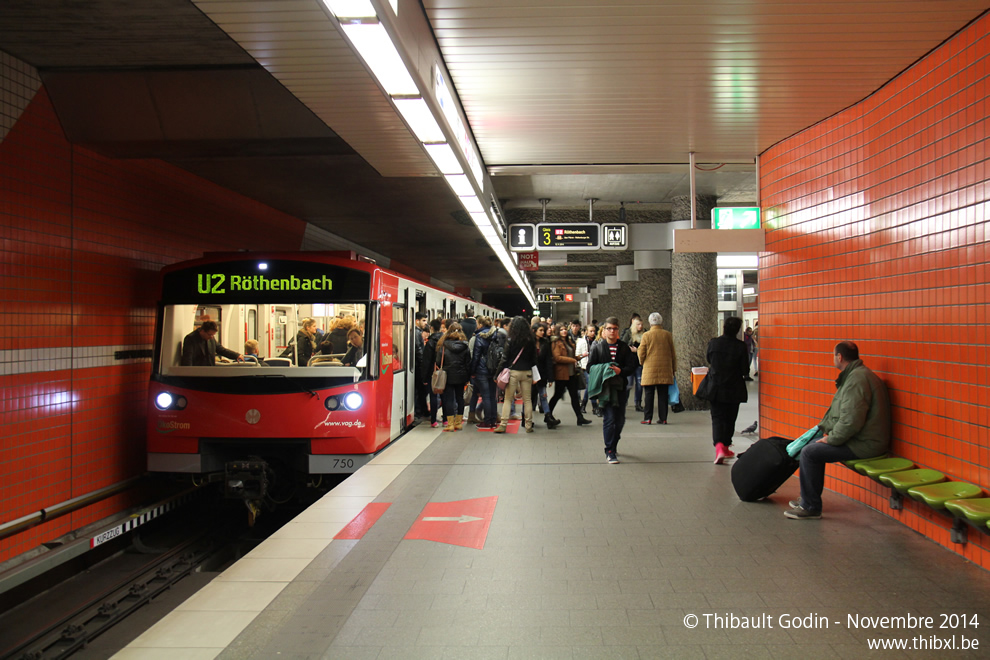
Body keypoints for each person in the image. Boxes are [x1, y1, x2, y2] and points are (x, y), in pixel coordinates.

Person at [786, 342, 891, 520]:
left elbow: (851, 421)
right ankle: (808, 499)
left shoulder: (856, 380)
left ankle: (810, 506)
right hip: (863, 439)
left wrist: (831, 439)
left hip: (866, 444)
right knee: (811, 448)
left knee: (810, 452)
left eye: (833, 355)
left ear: (839, 357)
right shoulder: (857, 375)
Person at [587, 317, 637, 464]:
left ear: (618, 330)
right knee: (609, 419)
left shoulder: (623, 348)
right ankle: (609, 450)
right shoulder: (598, 347)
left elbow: (632, 366)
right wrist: (604, 370)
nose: (612, 331)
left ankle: (614, 443)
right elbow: (590, 367)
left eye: (615, 329)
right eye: (609, 328)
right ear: (604, 330)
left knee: (620, 420)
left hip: (620, 387)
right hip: (605, 389)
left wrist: (619, 371)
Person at [706, 316, 750, 464]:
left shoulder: (714, 343)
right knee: (730, 418)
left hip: (716, 387)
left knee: (717, 418)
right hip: (734, 388)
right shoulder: (740, 346)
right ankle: (725, 446)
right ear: (737, 330)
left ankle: (719, 447)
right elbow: (745, 369)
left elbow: (709, 360)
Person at [493, 317, 537, 434]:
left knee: (508, 399)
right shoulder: (530, 340)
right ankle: (528, 425)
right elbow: (534, 359)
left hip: (513, 372)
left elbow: (505, 358)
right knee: (527, 400)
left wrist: (497, 374)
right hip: (527, 372)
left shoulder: (511, 339)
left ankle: (503, 425)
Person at [547, 323, 592, 426]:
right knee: (557, 395)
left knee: (574, 396)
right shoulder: (556, 342)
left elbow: (572, 357)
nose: (564, 331)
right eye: (561, 329)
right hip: (562, 374)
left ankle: (579, 418)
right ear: (558, 331)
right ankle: (548, 415)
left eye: (565, 329)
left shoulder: (568, 341)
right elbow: (557, 357)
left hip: (571, 374)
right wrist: (572, 360)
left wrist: (580, 356)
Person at [637, 313, 676, 425]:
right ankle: (663, 418)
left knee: (649, 395)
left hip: (650, 369)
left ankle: (648, 418)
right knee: (662, 395)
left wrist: (641, 361)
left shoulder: (646, 335)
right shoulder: (667, 335)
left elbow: (641, 351)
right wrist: (673, 368)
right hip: (665, 369)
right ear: (661, 322)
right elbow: (673, 353)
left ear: (650, 323)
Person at [434, 323, 471, 431]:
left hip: (447, 376)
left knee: (449, 399)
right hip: (461, 376)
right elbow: (468, 362)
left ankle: (450, 424)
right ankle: (458, 423)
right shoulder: (465, 345)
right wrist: (467, 376)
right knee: (460, 398)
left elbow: (438, 361)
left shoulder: (444, 345)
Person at [469, 317, 499, 429]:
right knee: (492, 396)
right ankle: (493, 420)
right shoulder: (496, 335)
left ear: (481, 324)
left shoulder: (479, 337)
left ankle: (487, 421)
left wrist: (472, 371)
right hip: (494, 369)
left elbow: (476, 356)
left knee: (485, 396)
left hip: (481, 370)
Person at [532, 321, 556, 428]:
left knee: (543, 395)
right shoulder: (529, 343)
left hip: (542, 374)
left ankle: (548, 416)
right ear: (534, 331)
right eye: (540, 330)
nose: (543, 332)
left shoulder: (545, 343)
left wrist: (550, 378)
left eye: (543, 330)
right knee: (529, 398)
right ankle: (526, 418)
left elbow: (548, 361)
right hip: (531, 374)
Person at [422, 319, 444, 427]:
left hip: (433, 373)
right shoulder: (446, 340)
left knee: (433, 396)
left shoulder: (430, 342)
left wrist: (425, 378)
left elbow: (426, 361)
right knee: (445, 396)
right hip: (444, 372)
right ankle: (446, 419)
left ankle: (434, 420)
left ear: (431, 328)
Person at [621, 314, 645, 411]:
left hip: (639, 362)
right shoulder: (628, 333)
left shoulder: (645, 334)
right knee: (628, 384)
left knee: (640, 384)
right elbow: (622, 345)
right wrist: (629, 349)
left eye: (641, 324)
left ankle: (638, 403)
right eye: (638, 324)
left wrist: (637, 350)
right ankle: (624, 401)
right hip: (630, 362)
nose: (641, 326)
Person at [575, 323, 597, 415]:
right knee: (591, 385)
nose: (593, 333)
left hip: (594, 367)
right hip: (584, 367)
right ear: (586, 332)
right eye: (591, 331)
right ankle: (594, 406)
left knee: (590, 386)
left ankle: (583, 404)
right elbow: (577, 354)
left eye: (594, 331)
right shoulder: (581, 342)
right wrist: (581, 357)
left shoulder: (596, 341)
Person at [414, 312, 429, 419]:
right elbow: (418, 349)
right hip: (418, 366)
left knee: (421, 390)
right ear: (417, 321)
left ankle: (422, 410)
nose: (425, 323)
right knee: (420, 390)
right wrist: (423, 364)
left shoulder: (417, 332)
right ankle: (420, 411)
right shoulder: (416, 333)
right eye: (423, 320)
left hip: (417, 365)